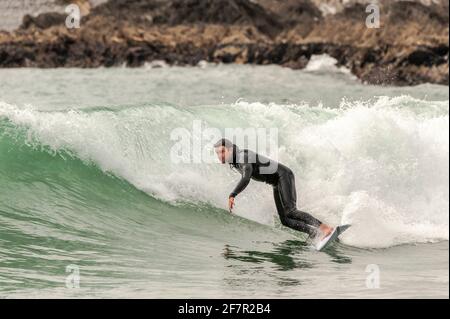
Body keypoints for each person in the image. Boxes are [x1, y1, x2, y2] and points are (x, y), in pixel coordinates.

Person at [214, 138, 333, 240]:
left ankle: (325, 228)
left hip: (283, 175)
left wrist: (233, 194)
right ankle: (313, 232)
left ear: (230, 149)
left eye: (223, 151)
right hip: (275, 182)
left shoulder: (242, 156)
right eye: (218, 153)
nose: (220, 155)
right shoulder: (235, 161)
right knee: (285, 220)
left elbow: (246, 177)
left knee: (291, 211)